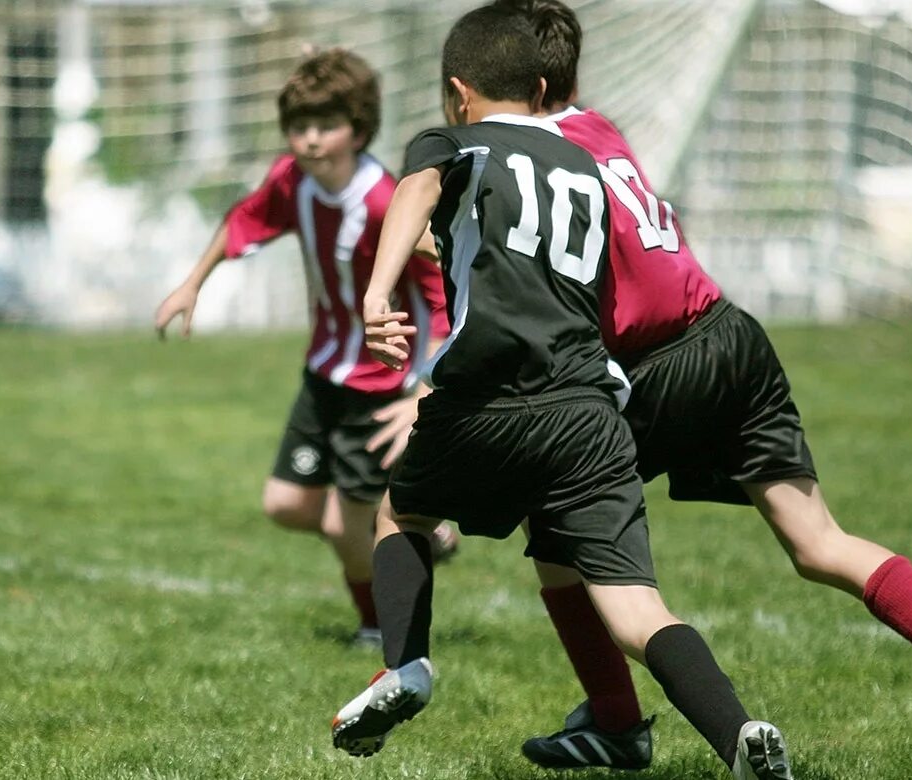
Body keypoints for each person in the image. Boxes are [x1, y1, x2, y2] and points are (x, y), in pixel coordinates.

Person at [485, 0, 912, 771]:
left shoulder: (524, 162)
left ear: (521, 87)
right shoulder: (601, 127)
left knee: (555, 529)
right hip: (731, 334)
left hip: (656, 366)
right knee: (819, 543)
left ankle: (616, 719)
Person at [328, 8, 792, 779]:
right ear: (544, 89)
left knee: (398, 513)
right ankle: (740, 734)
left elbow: (415, 192)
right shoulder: (583, 164)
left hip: (484, 402)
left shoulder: (454, 143)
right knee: (638, 610)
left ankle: (405, 666)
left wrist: (379, 296)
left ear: (456, 93)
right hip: (591, 411)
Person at [154, 48, 456, 649]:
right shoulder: (291, 181)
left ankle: (377, 629)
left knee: (347, 526)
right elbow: (244, 219)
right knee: (286, 504)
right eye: (300, 127)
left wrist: (425, 380)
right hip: (323, 372)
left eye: (327, 125)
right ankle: (411, 534)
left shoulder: (383, 203)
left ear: (360, 127)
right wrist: (192, 283)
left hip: (379, 383)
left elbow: (438, 294)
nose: (311, 140)